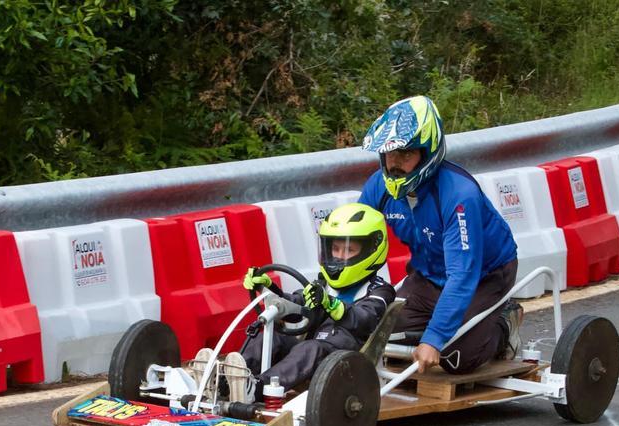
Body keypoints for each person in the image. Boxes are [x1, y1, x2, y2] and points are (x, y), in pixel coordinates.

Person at [358, 95, 522, 375]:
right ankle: (441, 319)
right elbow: (356, 243)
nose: (395, 163)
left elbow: (463, 274)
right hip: (427, 275)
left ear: (427, 152)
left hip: (484, 275)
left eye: (406, 154)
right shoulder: (378, 187)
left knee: (457, 356)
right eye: (390, 154)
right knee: (371, 330)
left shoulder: (459, 195)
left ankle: (505, 321)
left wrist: (434, 338)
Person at [203, 203, 396, 403]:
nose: (338, 256)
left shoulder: (379, 290)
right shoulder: (324, 284)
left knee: (311, 348)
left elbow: (365, 319)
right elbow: (297, 305)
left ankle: (257, 388)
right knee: (274, 336)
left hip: (344, 361)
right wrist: (267, 289)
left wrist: (332, 306)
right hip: (312, 356)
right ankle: (225, 381)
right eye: (336, 249)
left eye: (348, 250)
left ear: (371, 249)